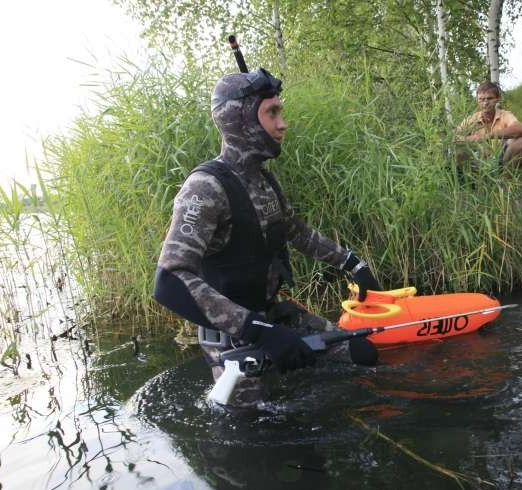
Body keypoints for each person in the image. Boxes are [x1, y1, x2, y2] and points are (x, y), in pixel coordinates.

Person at [153, 68, 380, 381]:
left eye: (280, 112)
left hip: (274, 318)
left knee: (363, 354)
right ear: (241, 121)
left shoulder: (262, 181)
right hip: (234, 339)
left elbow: (297, 232)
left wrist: (354, 264)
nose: (282, 124)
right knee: (259, 428)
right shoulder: (204, 188)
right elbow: (170, 281)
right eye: (271, 113)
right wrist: (260, 333)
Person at [454, 81, 522, 174]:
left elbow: (520, 129)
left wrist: (488, 136)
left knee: (521, 141)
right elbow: (454, 136)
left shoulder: (505, 115)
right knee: (459, 150)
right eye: (481, 99)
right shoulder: (472, 119)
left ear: (497, 99)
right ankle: (475, 184)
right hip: (479, 161)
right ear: (477, 100)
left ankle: (505, 181)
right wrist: (471, 139)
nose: (485, 103)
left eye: (489, 99)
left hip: (502, 159)